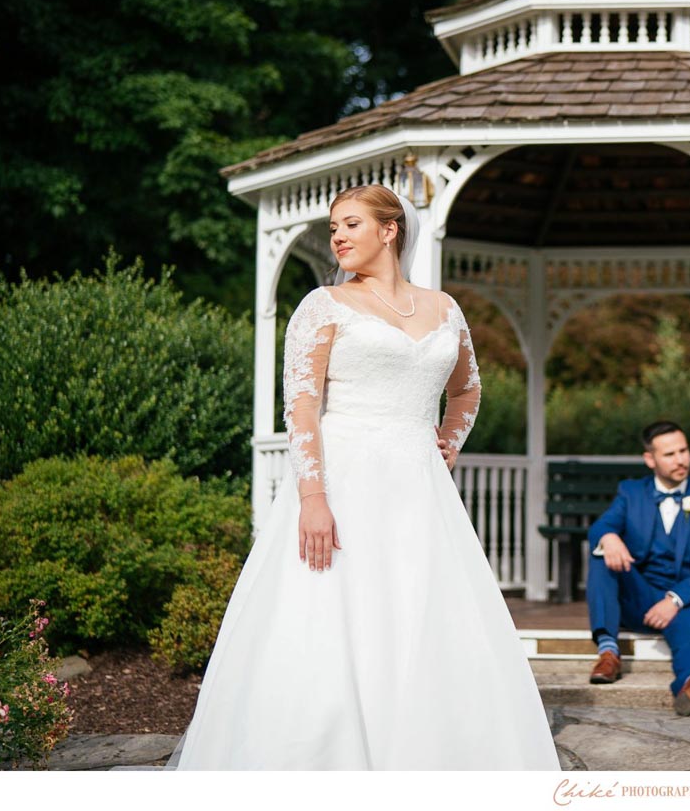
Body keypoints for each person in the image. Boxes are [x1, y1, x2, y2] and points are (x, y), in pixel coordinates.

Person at [170, 184, 560, 770]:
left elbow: (468, 388)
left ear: (390, 229)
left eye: (351, 224)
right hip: (343, 481)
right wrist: (312, 497)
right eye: (333, 228)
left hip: (420, 491)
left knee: (423, 612)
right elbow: (301, 405)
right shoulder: (322, 305)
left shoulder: (444, 308)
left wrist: (445, 447)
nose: (339, 237)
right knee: (332, 617)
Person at [584, 421, 690, 715]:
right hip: (639, 596)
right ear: (650, 459)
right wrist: (609, 536)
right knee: (603, 553)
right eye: (670, 454)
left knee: (689, 635)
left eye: (684, 450)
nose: (680, 460)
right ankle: (608, 652)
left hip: (687, 600)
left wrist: (675, 599)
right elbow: (602, 525)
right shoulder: (630, 492)